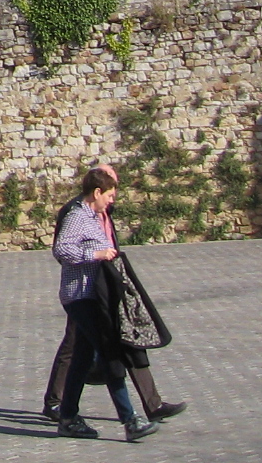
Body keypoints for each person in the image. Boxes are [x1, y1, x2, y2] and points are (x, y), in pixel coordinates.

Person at [42, 164, 185, 425]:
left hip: (95, 295)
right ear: (97, 192)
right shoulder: (77, 215)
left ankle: (67, 417)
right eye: (109, 195)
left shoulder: (95, 216)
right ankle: (130, 421)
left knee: (81, 359)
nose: (112, 201)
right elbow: (61, 249)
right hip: (80, 296)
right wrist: (94, 254)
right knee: (109, 353)